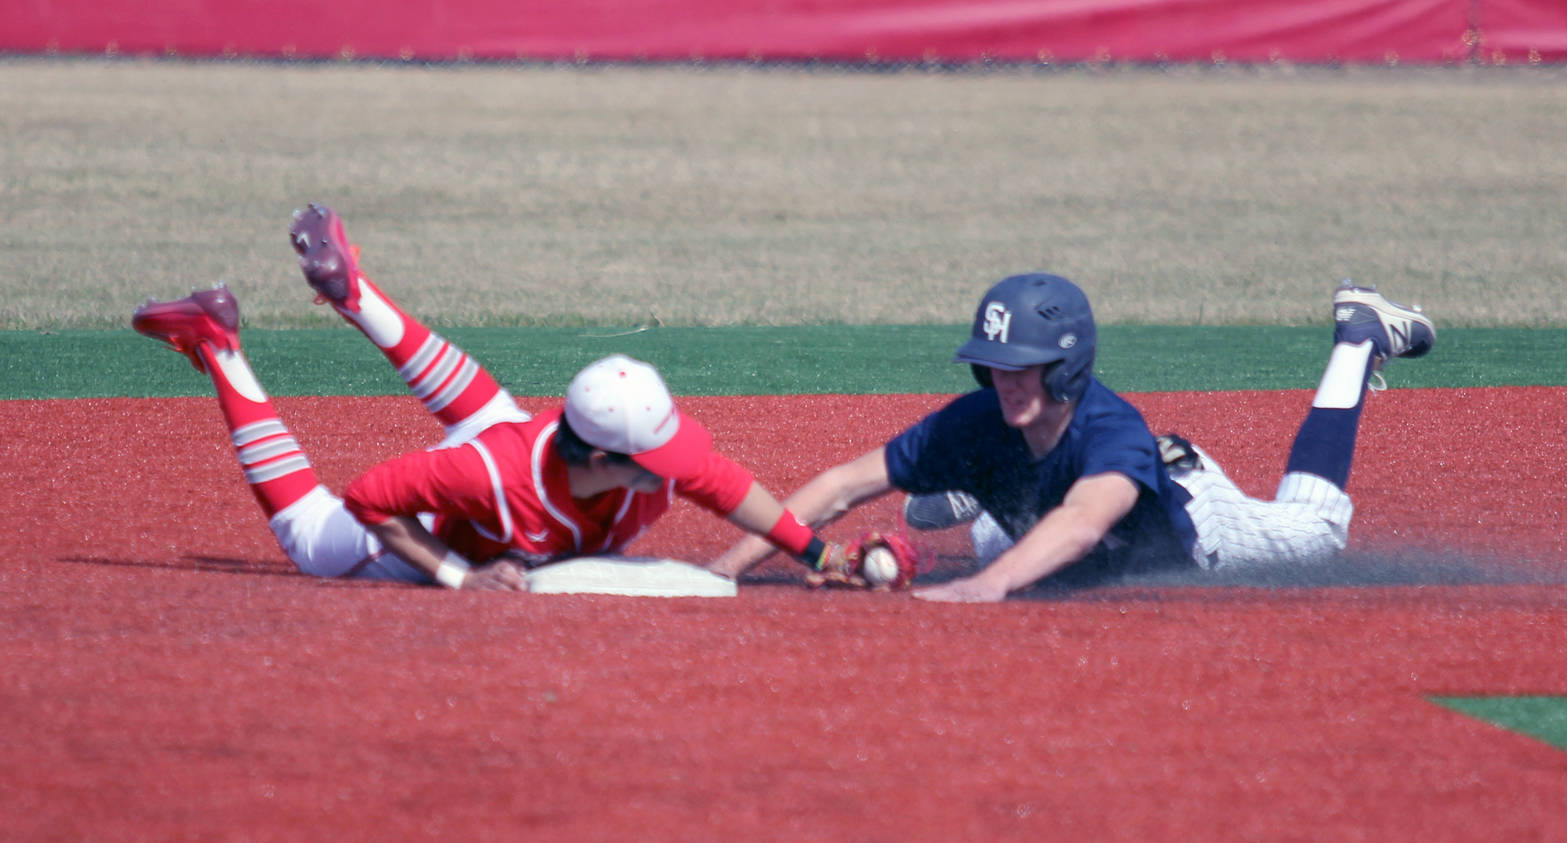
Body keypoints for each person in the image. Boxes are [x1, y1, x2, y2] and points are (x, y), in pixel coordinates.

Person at [132, 203, 845, 590]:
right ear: (604, 454)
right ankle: (218, 344)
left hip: (509, 448)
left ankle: (355, 293)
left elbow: (728, 488)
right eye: (654, 456)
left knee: (490, 414)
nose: (676, 466)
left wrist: (816, 555)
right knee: (308, 536)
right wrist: (457, 575)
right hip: (429, 526)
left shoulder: (637, 452)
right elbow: (367, 497)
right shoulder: (493, 474)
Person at [708, 272, 1435, 601]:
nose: (1007, 381)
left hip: (1188, 521)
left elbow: (1086, 523)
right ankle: (976, 494)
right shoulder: (982, 415)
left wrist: (984, 586)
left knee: (1316, 529)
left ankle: (1360, 335)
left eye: (1025, 367)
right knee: (1015, 523)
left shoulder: (1110, 428)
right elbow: (840, 486)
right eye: (994, 367)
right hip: (1040, 525)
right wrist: (727, 566)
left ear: (1068, 363)